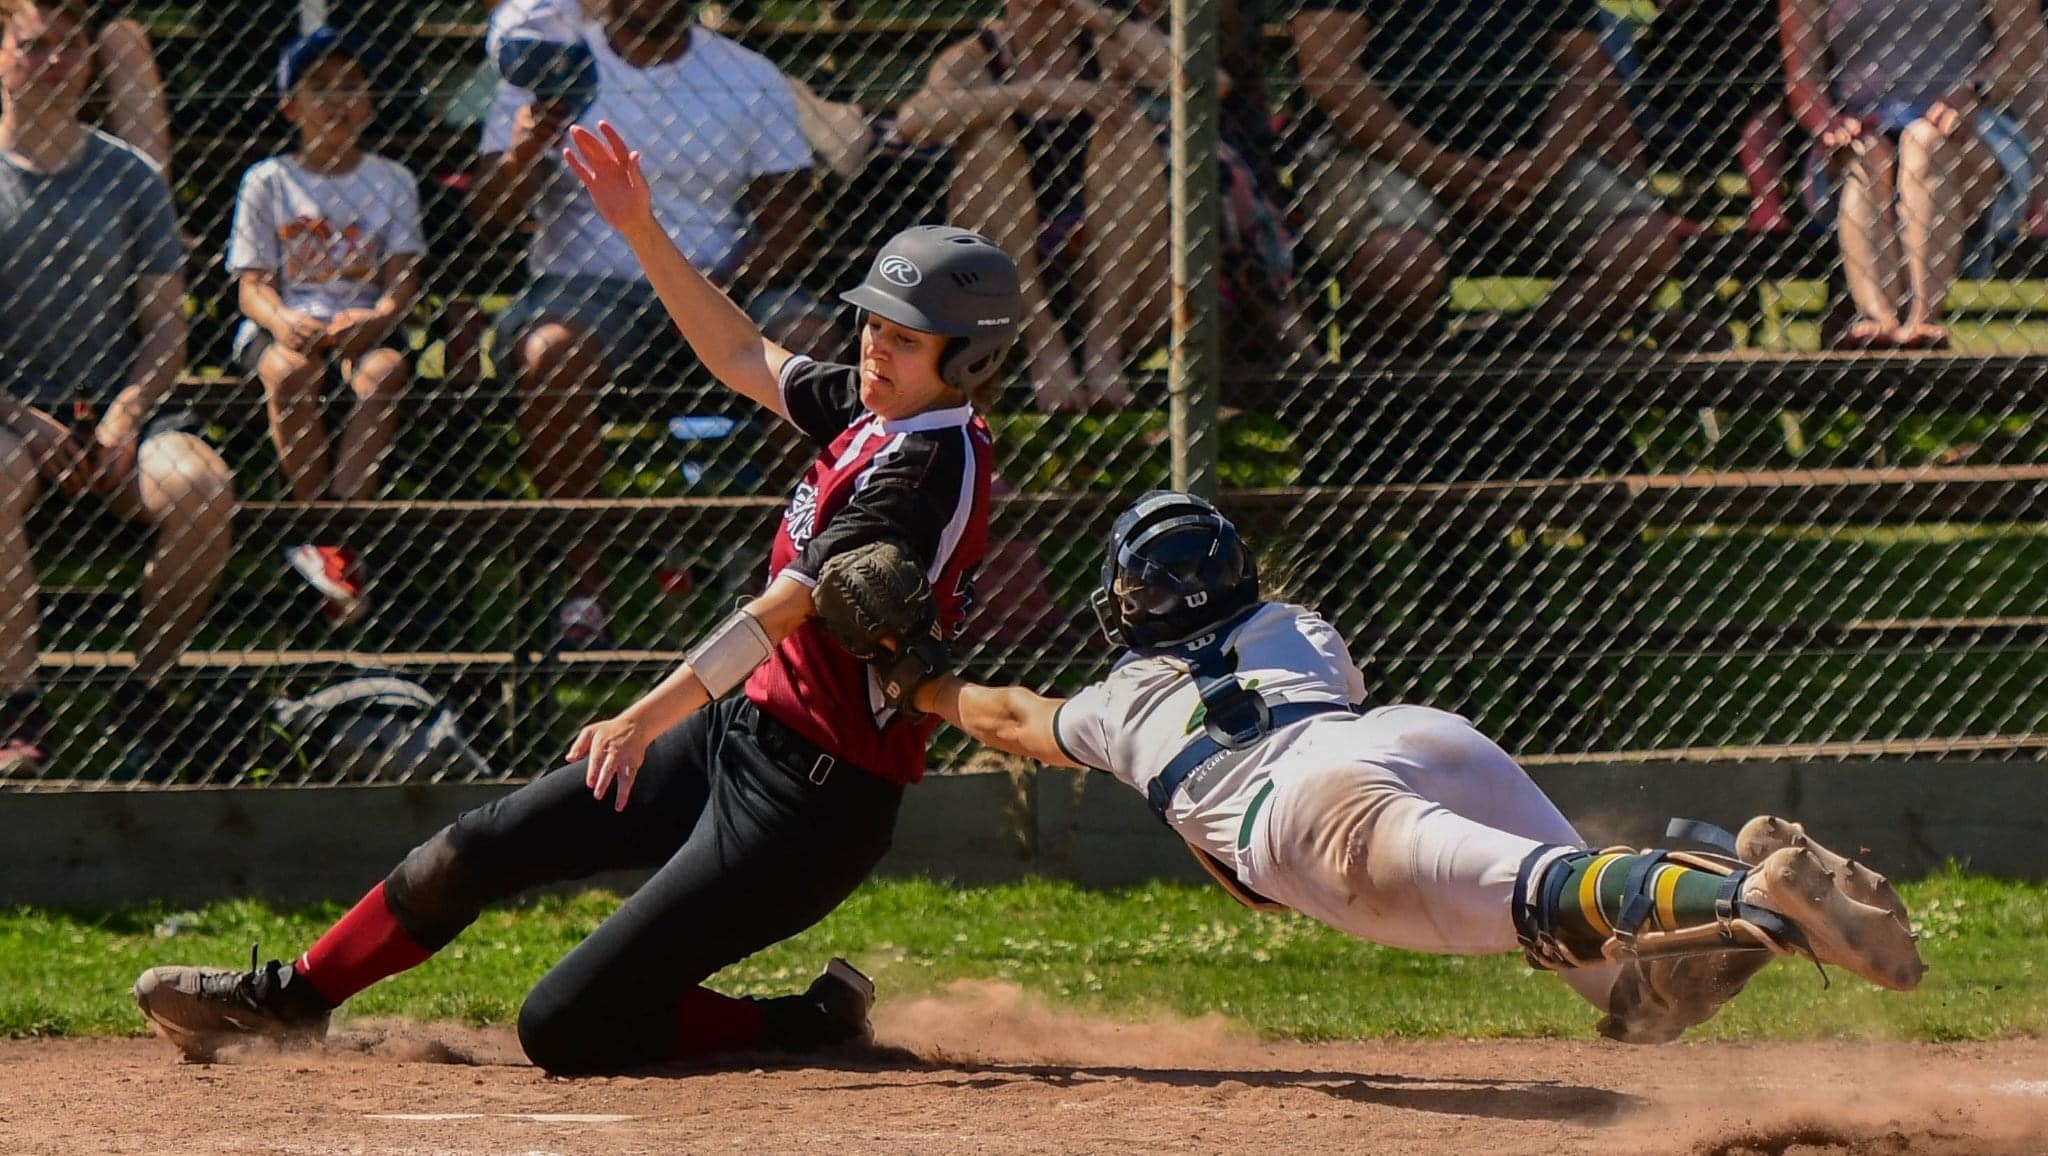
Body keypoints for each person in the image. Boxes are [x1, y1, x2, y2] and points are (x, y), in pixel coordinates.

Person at [131, 122, 1020, 1073]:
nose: (873, 350)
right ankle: (288, 1000)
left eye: (904, 338)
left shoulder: (928, 466)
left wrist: (641, 717)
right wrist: (638, 229)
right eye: (872, 328)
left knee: (567, 1025)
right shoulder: (878, 408)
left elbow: (788, 607)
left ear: (967, 360)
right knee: (474, 848)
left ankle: (805, 1024)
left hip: (811, 808)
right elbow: (742, 355)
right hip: (741, 736)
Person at [889, 491, 1925, 1044]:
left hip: (1313, 811)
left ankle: (1751, 889)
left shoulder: (1117, 703)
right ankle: (1739, 901)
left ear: (1131, 606)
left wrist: (915, 675)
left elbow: (1006, 715)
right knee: (1639, 1001)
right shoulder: (1298, 623)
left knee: (1550, 901)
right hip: (1414, 736)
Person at [469, 0, 842, 649]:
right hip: (590, 286)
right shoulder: (550, 67)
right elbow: (489, 214)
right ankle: (587, 589)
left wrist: (733, 277)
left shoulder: (747, 74)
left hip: (721, 282)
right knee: (552, 353)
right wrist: (528, 147)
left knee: (809, 343)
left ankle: (789, 581)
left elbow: (790, 219)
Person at [0, 0, 236, 777]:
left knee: (203, 489)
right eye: (35, 47)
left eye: (70, 48)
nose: (55, 62)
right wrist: (25, 421)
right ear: (1, 58)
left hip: (123, 408)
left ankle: (145, 692)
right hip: (8, 414)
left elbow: (167, 328)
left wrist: (127, 413)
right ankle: (19, 707)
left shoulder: (129, 175)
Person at [894, 0, 1305, 410]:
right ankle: (1044, 343)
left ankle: (1102, 348)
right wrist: (1030, 95)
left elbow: (1204, 85)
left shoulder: (1103, 44)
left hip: (1115, 285)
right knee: (986, 144)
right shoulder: (978, 55)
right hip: (1008, 299)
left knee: (1127, 129)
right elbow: (912, 121)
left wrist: (1102, 18)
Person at [1288, 0, 1682, 351]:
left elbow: (1584, 65)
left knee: (1643, 245)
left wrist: (1544, 163)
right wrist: (1435, 165)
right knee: (1398, 262)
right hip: (1382, 157)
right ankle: (1401, 408)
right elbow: (1327, 68)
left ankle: (1518, 364)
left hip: (1526, 165)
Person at [227, 28, 424, 626]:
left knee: (385, 371)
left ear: (369, 104)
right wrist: (285, 321)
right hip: (285, 324)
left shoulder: (393, 180)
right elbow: (252, 284)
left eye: (352, 88)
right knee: (289, 375)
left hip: (361, 325)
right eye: (320, 88)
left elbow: (402, 278)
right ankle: (330, 535)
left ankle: (334, 532)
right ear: (291, 106)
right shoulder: (269, 180)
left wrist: (379, 317)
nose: (338, 101)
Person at [1781, 0, 2046, 349]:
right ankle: (1880, 322)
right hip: (1862, 131)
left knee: (1925, 143)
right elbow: (1801, 77)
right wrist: (1828, 123)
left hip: (1973, 127)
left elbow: (2025, 44)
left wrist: (1972, 92)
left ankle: (1923, 320)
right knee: (1867, 156)